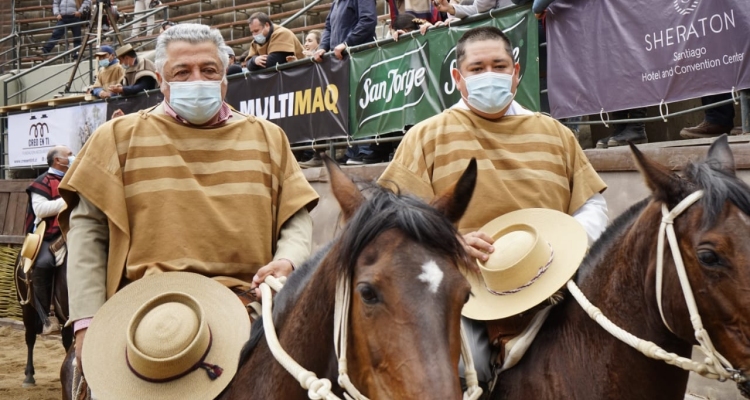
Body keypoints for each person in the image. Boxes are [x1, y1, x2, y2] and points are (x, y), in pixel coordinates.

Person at [59, 23, 319, 373]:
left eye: (209, 70)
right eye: (182, 71)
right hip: (143, 312)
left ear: (225, 77)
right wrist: (87, 323)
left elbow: (296, 217)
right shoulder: (116, 139)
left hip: (251, 309)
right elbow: (88, 233)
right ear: (161, 80)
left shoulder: (269, 138)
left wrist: (287, 260)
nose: (197, 79)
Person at [377, 26, 608, 387]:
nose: (490, 75)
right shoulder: (426, 136)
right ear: (458, 77)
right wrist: (451, 242)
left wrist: (569, 243)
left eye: (499, 66)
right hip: (465, 290)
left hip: (557, 283)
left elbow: (592, 205)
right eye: (477, 67)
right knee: (463, 372)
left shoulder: (556, 134)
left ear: (516, 73)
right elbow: (389, 218)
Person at [313, 0, 378, 164]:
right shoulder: (336, 2)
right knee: (348, 106)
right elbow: (328, 27)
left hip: (361, 56)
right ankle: (352, 150)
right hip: (342, 60)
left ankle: (365, 150)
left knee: (362, 103)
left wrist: (348, 42)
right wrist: (323, 46)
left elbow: (368, 20)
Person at [26, 145, 75, 335]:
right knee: (44, 263)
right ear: (58, 161)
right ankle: (47, 316)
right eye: (69, 155)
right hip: (50, 234)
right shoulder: (42, 181)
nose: (72, 157)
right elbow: (40, 210)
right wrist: (69, 200)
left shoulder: (75, 177)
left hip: (75, 231)